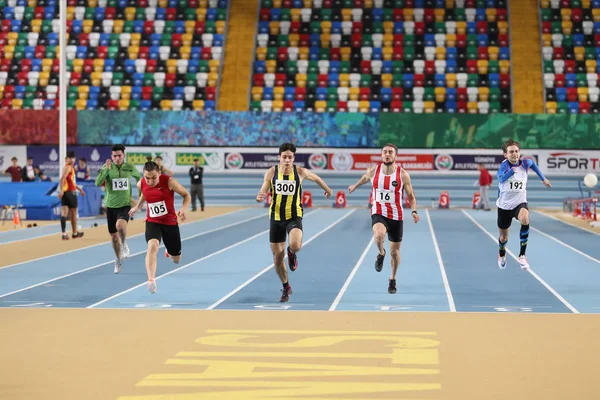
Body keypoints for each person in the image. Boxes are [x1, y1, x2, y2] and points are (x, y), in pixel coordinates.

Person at [256, 143, 333, 303]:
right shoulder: (271, 172)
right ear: (279, 158)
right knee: (277, 257)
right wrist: (261, 194)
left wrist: (328, 189)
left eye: (290, 157)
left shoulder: (300, 172)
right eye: (284, 157)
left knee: (296, 244)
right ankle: (286, 287)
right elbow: (264, 186)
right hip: (276, 218)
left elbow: (317, 178)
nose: (287, 160)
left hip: (294, 215)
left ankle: (292, 253)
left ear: (293, 158)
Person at [348, 143, 420, 294]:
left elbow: (411, 197)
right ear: (381, 155)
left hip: (396, 215)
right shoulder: (374, 170)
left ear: (395, 156)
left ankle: (392, 278)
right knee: (379, 235)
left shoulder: (403, 175)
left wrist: (414, 211)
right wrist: (355, 186)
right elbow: (365, 178)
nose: (387, 154)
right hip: (379, 211)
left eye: (390, 152)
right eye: (385, 152)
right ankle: (381, 253)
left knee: (395, 252)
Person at [128, 161, 191, 294]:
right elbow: (144, 193)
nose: (150, 181)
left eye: (154, 178)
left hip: (169, 222)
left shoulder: (169, 182)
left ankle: (169, 250)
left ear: (159, 174)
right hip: (153, 221)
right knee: (152, 246)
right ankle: (151, 280)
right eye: (147, 178)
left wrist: (183, 210)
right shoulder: (141, 183)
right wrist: (137, 206)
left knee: (176, 260)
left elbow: (186, 195)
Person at [496, 139, 551, 270]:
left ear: (519, 153)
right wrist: (511, 172)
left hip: (520, 202)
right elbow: (500, 178)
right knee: (504, 237)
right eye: (511, 152)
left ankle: (522, 255)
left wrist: (543, 179)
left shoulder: (526, 163)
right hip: (504, 206)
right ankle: (502, 253)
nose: (514, 154)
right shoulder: (504, 166)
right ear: (505, 155)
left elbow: (534, 166)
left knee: (525, 217)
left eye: (516, 151)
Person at [95, 144, 141, 274]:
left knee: (120, 226)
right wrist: (106, 171)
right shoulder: (106, 168)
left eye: (119, 155)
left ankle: (124, 244)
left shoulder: (130, 168)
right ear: (111, 156)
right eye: (114, 156)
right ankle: (117, 260)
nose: (117, 158)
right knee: (114, 237)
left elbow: (139, 179)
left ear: (124, 155)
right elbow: (97, 183)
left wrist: (140, 193)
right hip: (110, 207)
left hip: (125, 204)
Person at [58, 151, 85, 240]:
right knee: (73, 213)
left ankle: (65, 233)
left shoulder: (69, 168)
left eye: (73, 158)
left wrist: (80, 189)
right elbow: (62, 179)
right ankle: (73, 233)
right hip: (70, 193)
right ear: (67, 159)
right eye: (71, 158)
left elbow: (72, 182)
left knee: (65, 213)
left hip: (67, 192)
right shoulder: (68, 167)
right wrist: (61, 191)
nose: (73, 160)